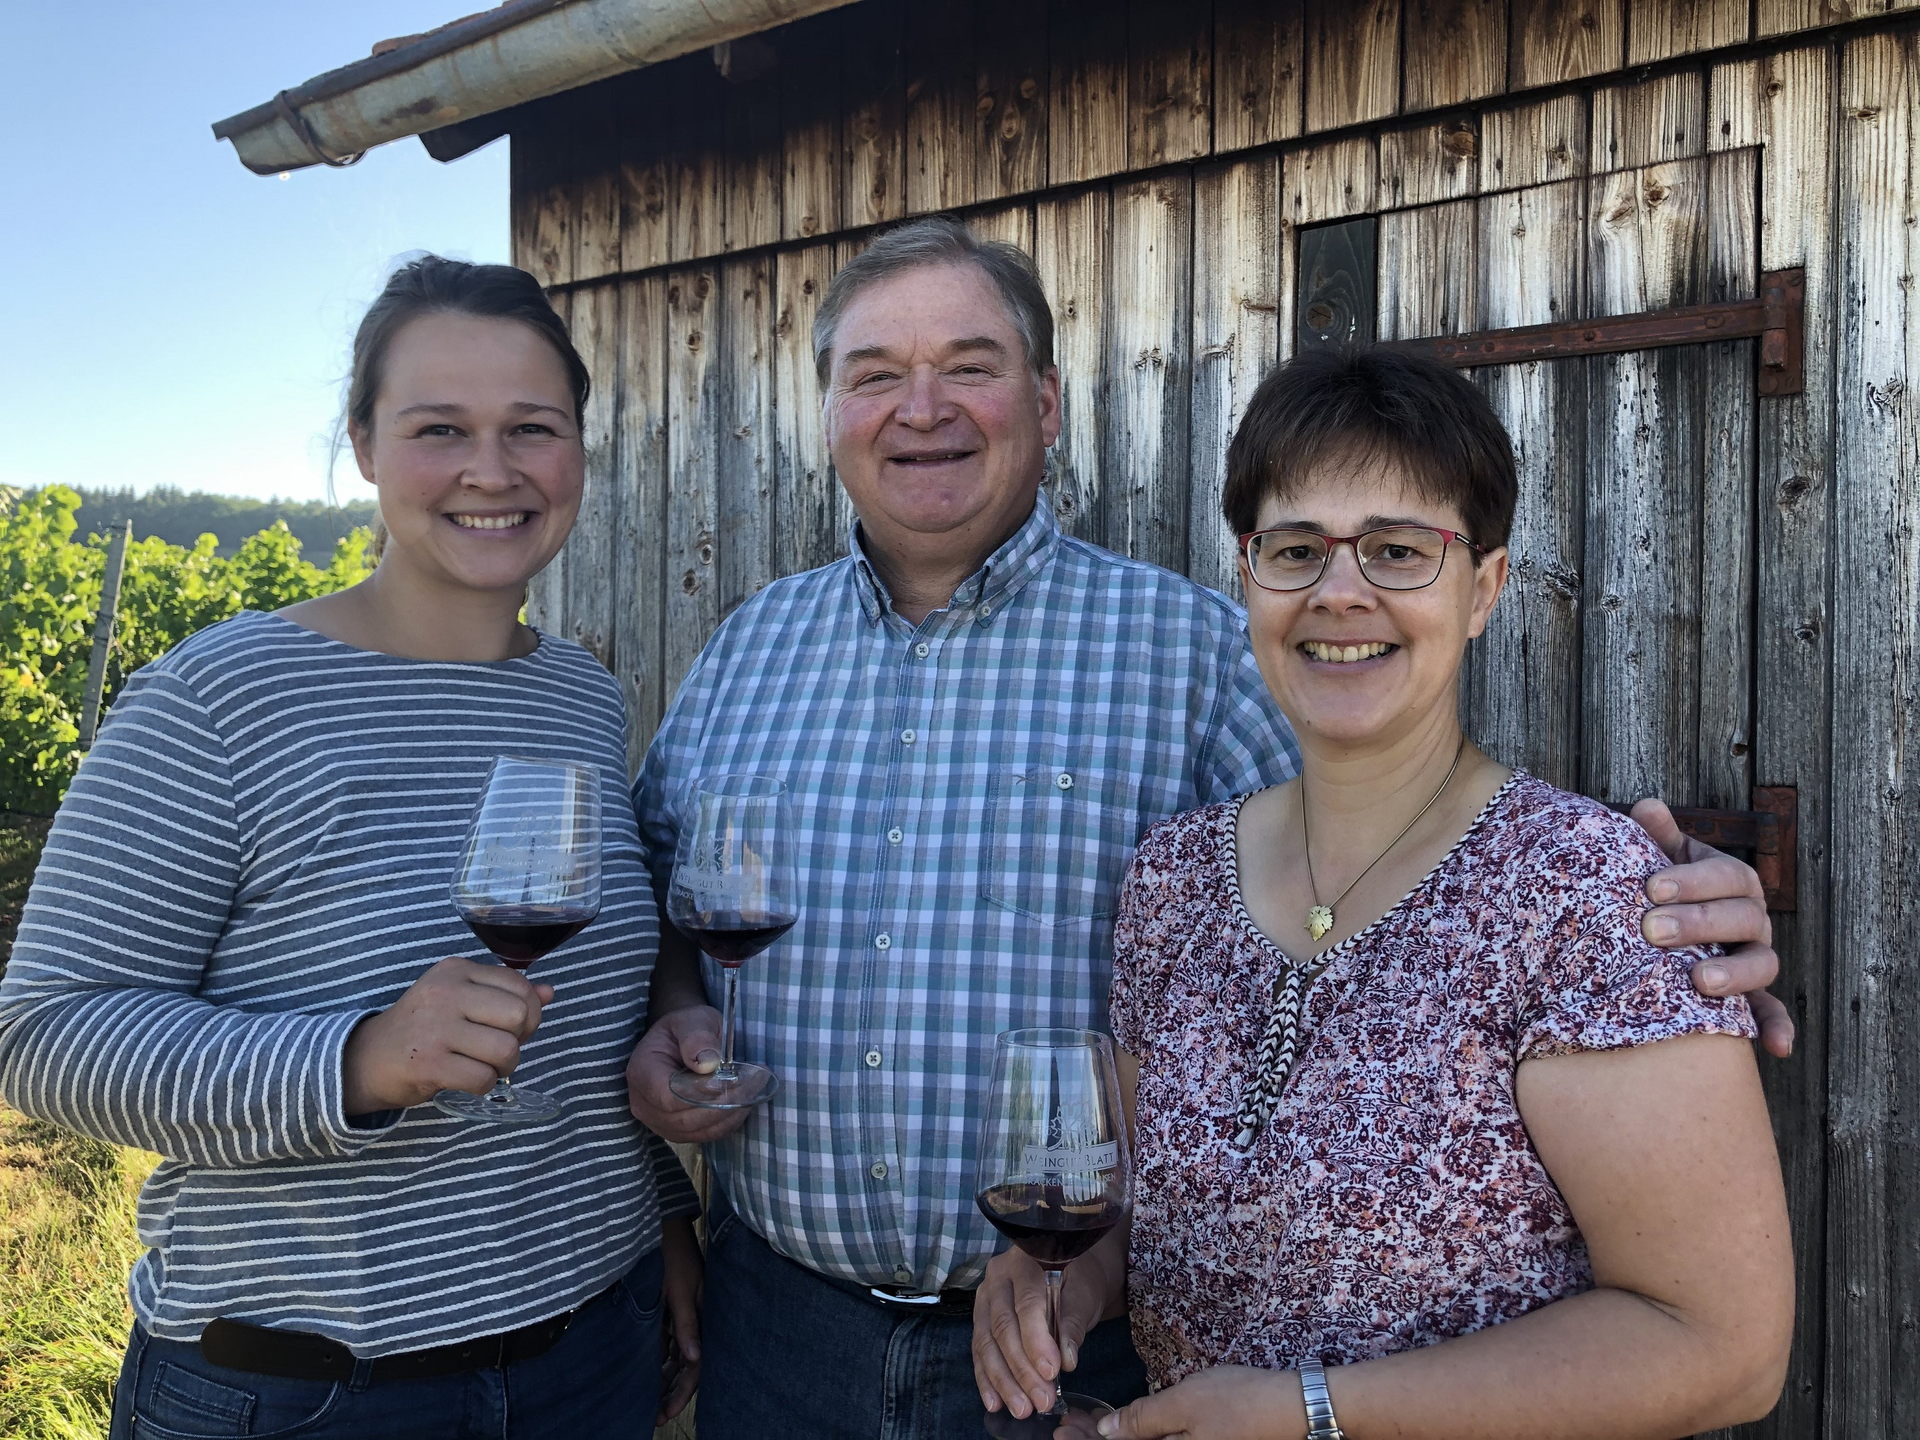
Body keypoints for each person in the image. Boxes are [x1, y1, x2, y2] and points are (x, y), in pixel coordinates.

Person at [625, 218, 1789, 1438]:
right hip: (790, 1326)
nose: (923, 408)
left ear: (1047, 402)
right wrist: (668, 1017)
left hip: (1084, 1378)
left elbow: (1413, 818)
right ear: (825, 412)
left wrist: (1667, 928)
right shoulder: (752, 656)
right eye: (875, 374)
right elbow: (656, 907)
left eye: (969, 365)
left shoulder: (1198, 660)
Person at [972, 346, 1794, 1439]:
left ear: (1483, 589)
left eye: (1399, 550)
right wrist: (1060, 1284)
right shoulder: (1174, 878)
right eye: (1296, 549)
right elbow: (1136, 1211)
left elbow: (1721, 1348)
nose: (1339, 590)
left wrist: (1313, 1413)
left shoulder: (1581, 891)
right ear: (1249, 578)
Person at [0, 256, 701, 1440]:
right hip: (307, 1390)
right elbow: (44, 1037)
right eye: (441, 428)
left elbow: (580, 1024)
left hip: (593, 1359)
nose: (492, 470)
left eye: (532, 427)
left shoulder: (581, 697)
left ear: (580, 450)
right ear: (365, 444)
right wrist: (361, 1059)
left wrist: (662, 1213)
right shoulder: (222, 699)